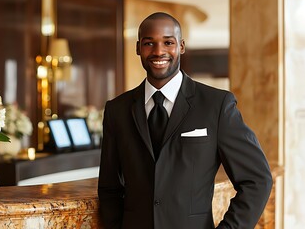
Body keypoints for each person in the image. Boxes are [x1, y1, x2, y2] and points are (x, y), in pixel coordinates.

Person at [98, 12, 273, 229]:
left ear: (181, 46)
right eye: (149, 43)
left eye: (168, 42)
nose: (158, 51)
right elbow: (109, 188)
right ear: (137, 48)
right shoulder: (117, 110)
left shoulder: (216, 105)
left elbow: (257, 180)